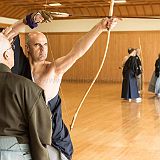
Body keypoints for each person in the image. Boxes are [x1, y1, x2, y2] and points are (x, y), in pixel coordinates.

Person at [6, 11, 118, 160]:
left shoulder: (53, 69)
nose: (43, 49)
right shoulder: (20, 66)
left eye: (45, 44)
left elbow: (77, 52)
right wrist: (28, 21)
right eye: (37, 45)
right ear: (27, 48)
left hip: (53, 136)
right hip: (26, 135)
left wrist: (100, 27)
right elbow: (7, 36)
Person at [0, 33, 52, 160]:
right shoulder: (27, 87)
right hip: (13, 151)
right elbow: (41, 135)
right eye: (11, 49)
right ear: (6, 55)